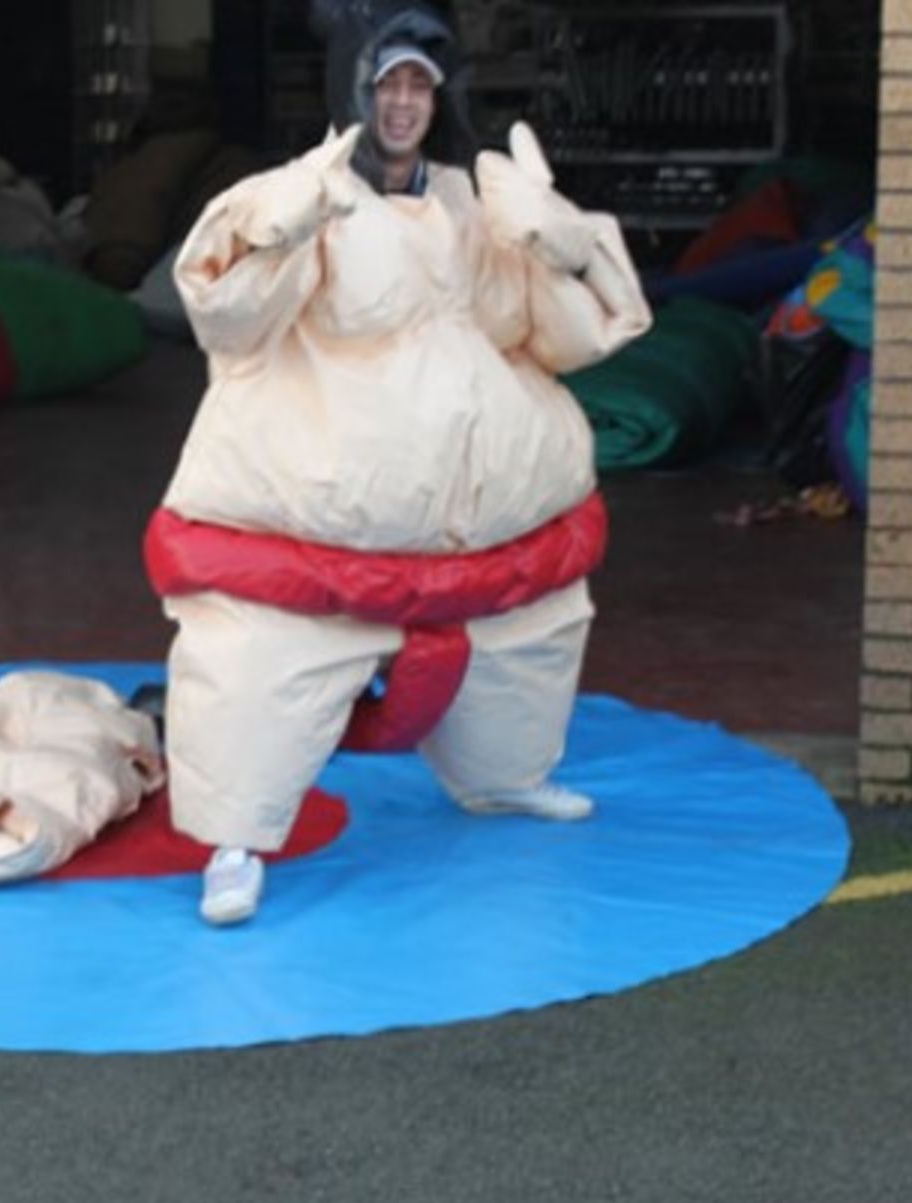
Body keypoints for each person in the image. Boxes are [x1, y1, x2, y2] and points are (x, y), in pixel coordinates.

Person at [146, 2, 652, 926]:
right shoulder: (309, 197)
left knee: (528, 635)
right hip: (324, 516)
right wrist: (276, 228)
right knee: (262, 659)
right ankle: (235, 843)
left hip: (493, 516)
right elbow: (224, 317)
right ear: (357, 92)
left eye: (420, 84)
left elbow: (560, 339)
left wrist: (559, 242)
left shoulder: (471, 202)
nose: (405, 103)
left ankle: (507, 777)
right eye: (389, 84)